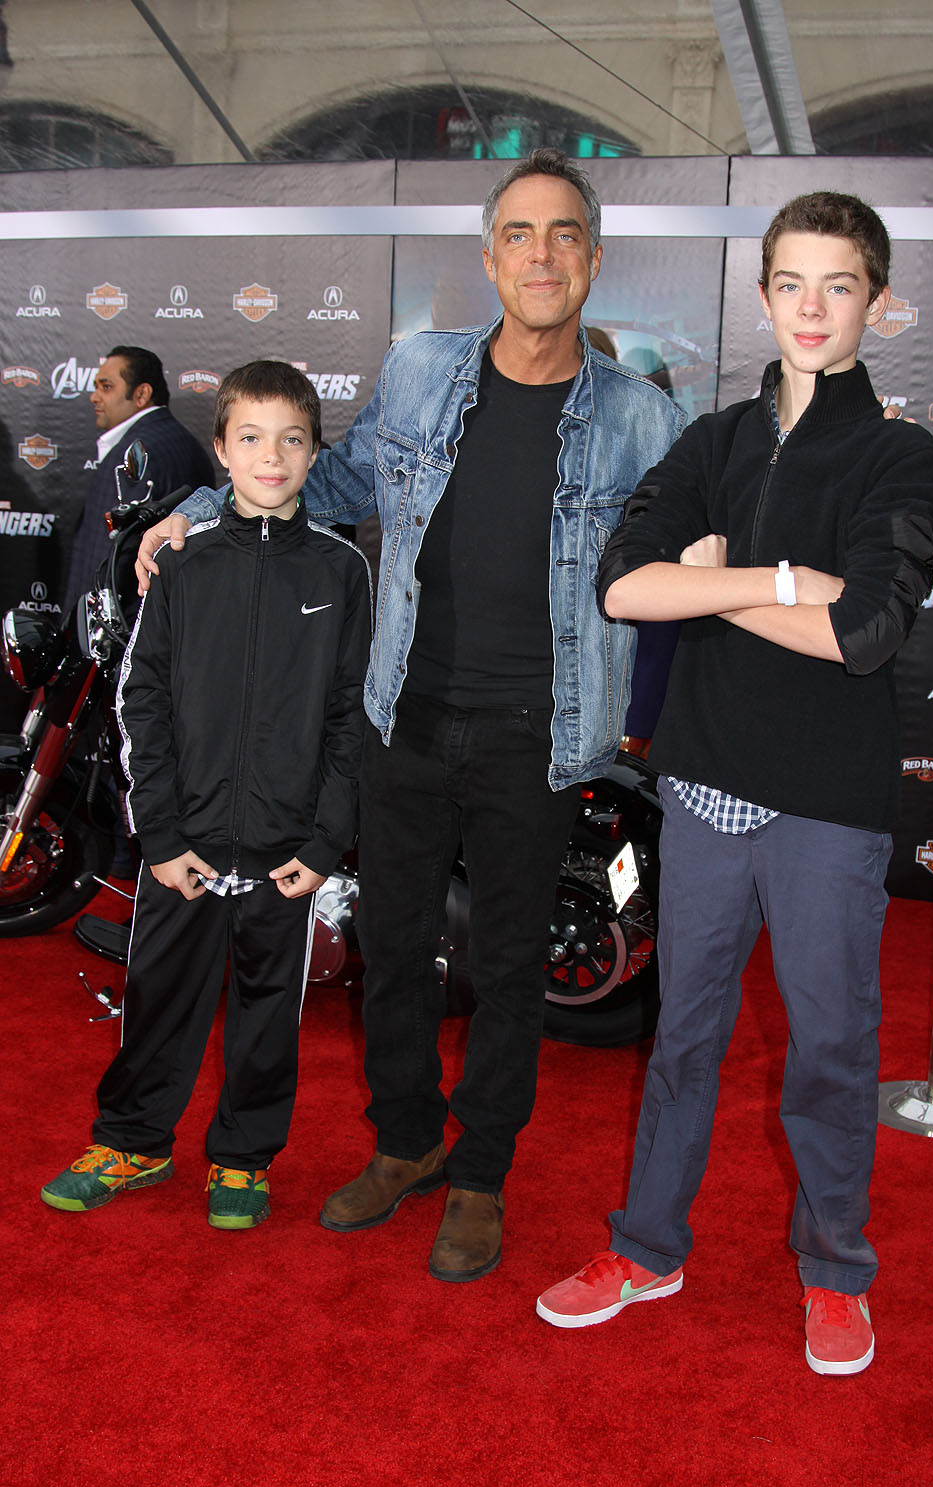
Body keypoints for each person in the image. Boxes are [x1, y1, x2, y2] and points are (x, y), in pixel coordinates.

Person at [134, 148, 687, 1280]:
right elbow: (331, 483)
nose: (541, 255)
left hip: (537, 736)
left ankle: (478, 1174)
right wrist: (197, 504)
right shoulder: (423, 370)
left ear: (594, 259)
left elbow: (687, 563)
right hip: (403, 719)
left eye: (564, 235)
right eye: (519, 234)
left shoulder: (645, 422)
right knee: (393, 953)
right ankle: (404, 1144)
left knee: (510, 970)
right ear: (490, 258)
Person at [535, 191, 933, 1374]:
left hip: (826, 804)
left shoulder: (900, 455)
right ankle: (647, 1246)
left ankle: (835, 1271)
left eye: (838, 285)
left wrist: (712, 582)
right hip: (706, 788)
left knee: (828, 1050)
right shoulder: (711, 442)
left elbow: (864, 632)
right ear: (762, 293)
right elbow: (626, 585)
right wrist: (779, 583)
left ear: (874, 300)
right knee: (682, 1038)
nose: (811, 309)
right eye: (790, 284)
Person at [41, 361, 370, 1230]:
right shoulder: (182, 560)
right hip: (180, 845)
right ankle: (132, 1142)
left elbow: (353, 719)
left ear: (315, 453)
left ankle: (244, 1158)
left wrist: (322, 843)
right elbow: (138, 700)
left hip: (285, 853)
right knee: (158, 998)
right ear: (220, 450)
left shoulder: (341, 571)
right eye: (251, 438)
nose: (272, 457)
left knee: (269, 1015)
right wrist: (158, 835)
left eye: (292, 440)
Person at [62, 345, 215, 612]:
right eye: (96, 387)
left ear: (142, 394)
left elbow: (107, 559)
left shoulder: (133, 453)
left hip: (126, 622)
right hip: (175, 614)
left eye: (106, 387)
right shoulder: (185, 443)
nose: (94, 397)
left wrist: (82, 625)